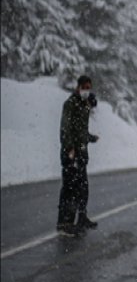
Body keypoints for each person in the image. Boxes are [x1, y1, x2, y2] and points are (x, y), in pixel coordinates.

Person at [57, 75, 100, 236]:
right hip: (71, 153)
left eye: (89, 88)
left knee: (82, 187)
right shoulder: (70, 104)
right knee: (69, 187)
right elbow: (66, 128)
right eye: (84, 87)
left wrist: (90, 138)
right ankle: (64, 222)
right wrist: (69, 148)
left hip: (81, 153)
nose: (86, 91)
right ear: (78, 87)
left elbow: (80, 131)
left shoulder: (84, 105)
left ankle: (81, 217)